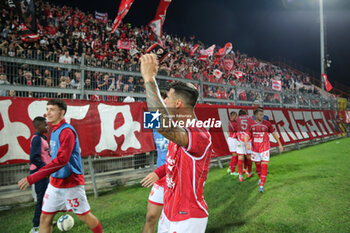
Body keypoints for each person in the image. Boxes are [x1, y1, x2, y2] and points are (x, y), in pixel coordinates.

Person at [140, 54, 212, 233]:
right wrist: (158, 172)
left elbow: (162, 126)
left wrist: (149, 79)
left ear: (178, 103)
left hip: (188, 218)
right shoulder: (180, 129)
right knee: (150, 218)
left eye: (168, 99)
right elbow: (173, 161)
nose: (164, 102)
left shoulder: (198, 132)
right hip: (169, 212)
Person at [18, 99, 103, 233]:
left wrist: (32, 178)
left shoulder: (67, 131)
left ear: (62, 112)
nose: (47, 113)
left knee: (84, 216)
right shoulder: (54, 131)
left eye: (52, 109)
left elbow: (61, 160)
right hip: (54, 184)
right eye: (47, 109)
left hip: (71, 184)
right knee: (45, 218)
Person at [142, 91, 169, 233]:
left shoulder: (180, 122)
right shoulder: (154, 119)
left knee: (171, 219)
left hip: (177, 178)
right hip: (160, 177)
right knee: (151, 217)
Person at [245, 107, 283, 193]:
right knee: (258, 166)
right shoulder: (251, 124)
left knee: (264, 166)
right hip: (255, 149)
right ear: (255, 115)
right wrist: (247, 143)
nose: (262, 116)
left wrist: (280, 144)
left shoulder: (267, 124)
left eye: (262, 114)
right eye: (260, 115)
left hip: (265, 148)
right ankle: (260, 178)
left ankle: (261, 185)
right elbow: (246, 135)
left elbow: (274, 134)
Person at [29, 117, 51, 233]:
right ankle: (36, 226)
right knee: (41, 199)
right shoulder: (37, 139)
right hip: (40, 173)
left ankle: (46, 222)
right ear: (38, 126)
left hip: (45, 173)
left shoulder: (43, 138)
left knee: (47, 199)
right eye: (45, 125)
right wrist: (45, 168)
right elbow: (33, 158)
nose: (48, 127)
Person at [235, 109, 253, 182]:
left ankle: (240, 176)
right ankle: (249, 172)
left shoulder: (237, 118)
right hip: (248, 139)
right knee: (249, 156)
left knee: (240, 157)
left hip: (240, 139)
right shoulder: (250, 117)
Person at [227, 111, 239, 175]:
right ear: (232, 116)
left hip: (232, 139)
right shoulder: (233, 123)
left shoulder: (232, 122)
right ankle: (233, 171)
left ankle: (230, 168)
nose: (236, 117)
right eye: (235, 116)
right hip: (233, 139)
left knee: (235, 155)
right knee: (235, 155)